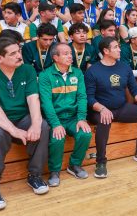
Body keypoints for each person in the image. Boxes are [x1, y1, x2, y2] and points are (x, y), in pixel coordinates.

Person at [0, 38, 50, 210]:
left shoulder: (27, 70)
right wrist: (14, 130)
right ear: (0, 58)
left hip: (21, 117)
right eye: (13, 53)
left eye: (19, 51)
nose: (19, 56)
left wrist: (36, 123)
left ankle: (35, 175)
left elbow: (33, 99)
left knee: (43, 126)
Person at [85, 37, 137, 179]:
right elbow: (89, 98)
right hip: (99, 110)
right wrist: (102, 109)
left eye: (119, 46)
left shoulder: (124, 67)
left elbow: (135, 90)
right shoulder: (93, 71)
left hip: (121, 108)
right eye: (116, 47)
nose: (119, 49)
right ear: (105, 51)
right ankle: (100, 162)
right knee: (104, 121)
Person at [39, 43, 92, 187]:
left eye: (70, 53)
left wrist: (81, 118)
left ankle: (74, 165)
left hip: (73, 117)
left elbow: (82, 97)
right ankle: (54, 171)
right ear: (55, 57)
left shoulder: (78, 72)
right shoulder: (45, 76)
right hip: (55, 118)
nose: (70, 56)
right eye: (65, 54)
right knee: (57, 138)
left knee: (85, 133)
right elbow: (46, 103)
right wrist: (55, 124)